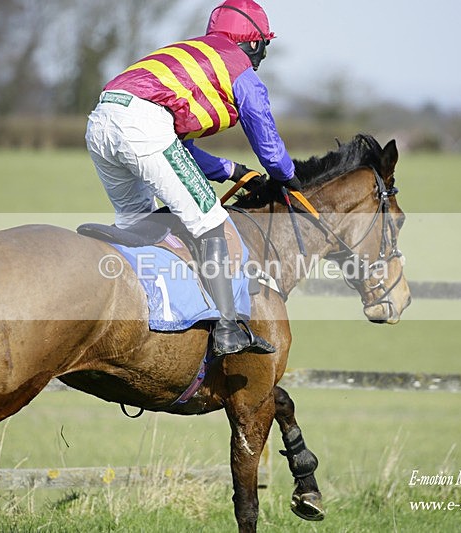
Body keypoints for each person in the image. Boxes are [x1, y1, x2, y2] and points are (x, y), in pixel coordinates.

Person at [85, 0, 300, 357]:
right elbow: (267, 141)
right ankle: (228, 329)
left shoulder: (191, 55)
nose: (262, 56)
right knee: (210, 220)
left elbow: (177, 149)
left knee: (140, 222)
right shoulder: (240, 69)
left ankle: (146, 318)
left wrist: (234, 171)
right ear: (254, 42)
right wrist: (287, 177)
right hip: (143, 126)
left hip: (101, 122)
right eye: (265, 46)